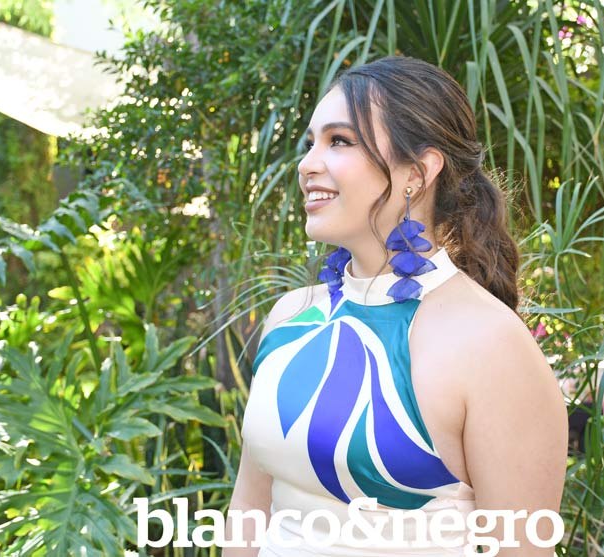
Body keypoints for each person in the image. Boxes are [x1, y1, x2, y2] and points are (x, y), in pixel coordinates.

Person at [224, 55, 568, 556]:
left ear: (417, 172)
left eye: (340, 141)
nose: (307, 164)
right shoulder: (290, 317)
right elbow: (249, 512)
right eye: (311, 142)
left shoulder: (491, 345)